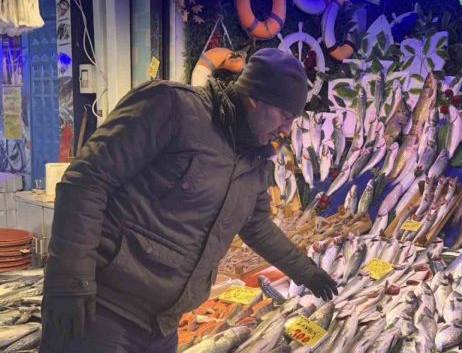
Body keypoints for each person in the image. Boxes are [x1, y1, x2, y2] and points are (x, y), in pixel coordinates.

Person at [40, 48, 338, 352]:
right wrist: (70, 280)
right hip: (103, 310)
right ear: (254, 98)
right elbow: (86, 181)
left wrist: (307, 272)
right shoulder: (171, 106)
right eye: (285, 116)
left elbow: (257, 225)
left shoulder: (255, 160)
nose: (287, 129)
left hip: (163, 326)